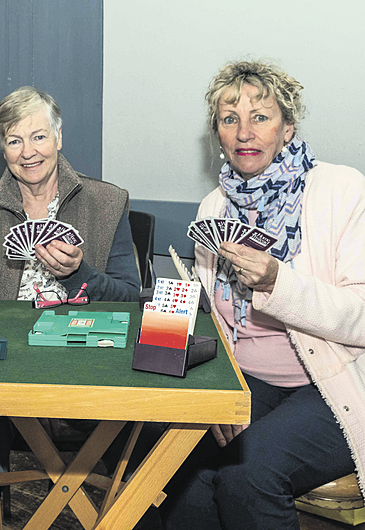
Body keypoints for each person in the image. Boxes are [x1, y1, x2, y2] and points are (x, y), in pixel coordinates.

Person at [160, 60, 365, 529]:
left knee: (249, 474)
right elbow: (216, 323)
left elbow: (362, 317)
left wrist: (278, 282)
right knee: (179, 467)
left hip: (330, 384)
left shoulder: (340, 189)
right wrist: (216, 395)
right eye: (230, 119)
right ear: (218, 134)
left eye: (261, 116)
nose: (244, 132)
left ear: (287, 126)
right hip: (245, 379)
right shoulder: (214, 207)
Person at [0, 86, 141, 487]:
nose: (28, 151)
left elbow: (133, 299)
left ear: (58, 138)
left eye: (38, 136)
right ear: (3, 149)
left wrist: (78, 273)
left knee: (143, 448)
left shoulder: (108, 202)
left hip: (87, 365)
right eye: (15, 141)